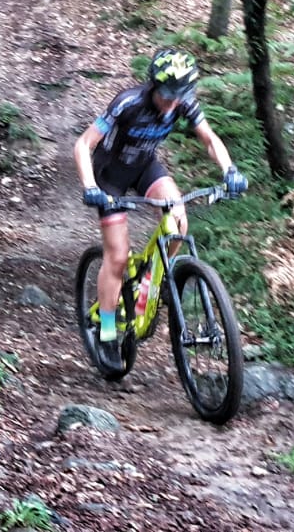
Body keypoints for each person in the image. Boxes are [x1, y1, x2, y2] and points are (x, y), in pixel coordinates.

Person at [71, 49, 246, 357]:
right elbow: (84, 144)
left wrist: (229, 170)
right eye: (167, 94)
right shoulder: (129, 103)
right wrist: (89, 187)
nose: (172, 103)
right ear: (153, 86)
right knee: (118, 257)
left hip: (144, 167)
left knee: (178, 220)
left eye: (178, 95)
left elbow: (208, 138)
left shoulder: (183, 102)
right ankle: (108, 330)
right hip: (109, 176)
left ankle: (154, 282)